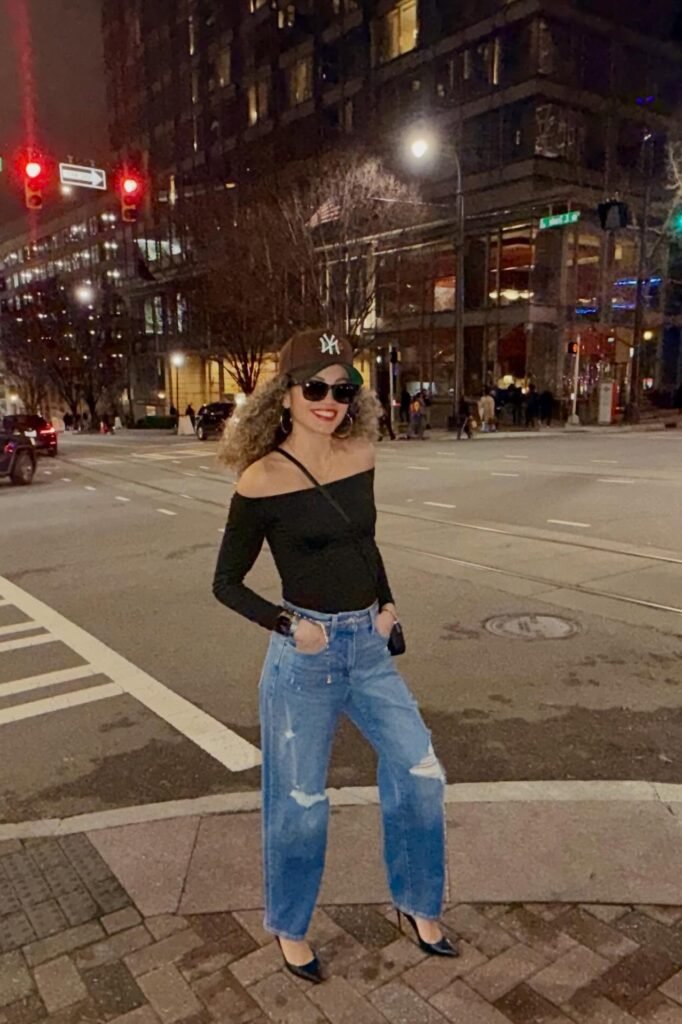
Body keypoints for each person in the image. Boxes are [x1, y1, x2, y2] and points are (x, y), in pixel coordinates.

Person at [213, 327, 456, 984]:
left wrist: (387, 602)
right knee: (299, 802)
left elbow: (363, 542)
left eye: (342, 389)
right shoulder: (261, 479)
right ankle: (290, 927)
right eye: (314, 387)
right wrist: (289, 624)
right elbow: (225, 582)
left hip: (368, 646)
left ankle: (415, 904)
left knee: (422, 771)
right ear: (284, 396)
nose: (329, 400)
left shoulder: (362, 453)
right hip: (307, 657)